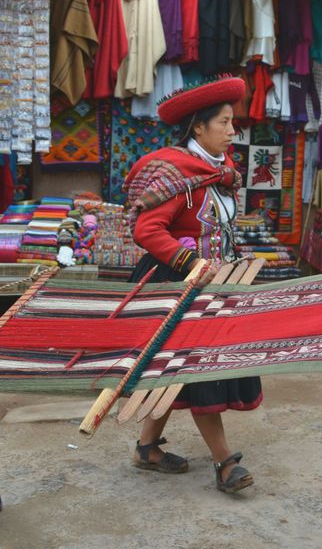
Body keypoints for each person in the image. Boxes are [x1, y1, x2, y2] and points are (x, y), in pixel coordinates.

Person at [122, 76, 261, 494]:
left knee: (173, 373)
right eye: (224, 122)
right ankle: (224, 463)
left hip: (211, 284)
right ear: (197, 128)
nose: (232, 131)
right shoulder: (171, 171)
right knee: (200, 374)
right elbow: (147, 229)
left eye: (232, 123)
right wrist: (190, 262)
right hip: (175, 284)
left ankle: (147, 449)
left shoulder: (218, 172)